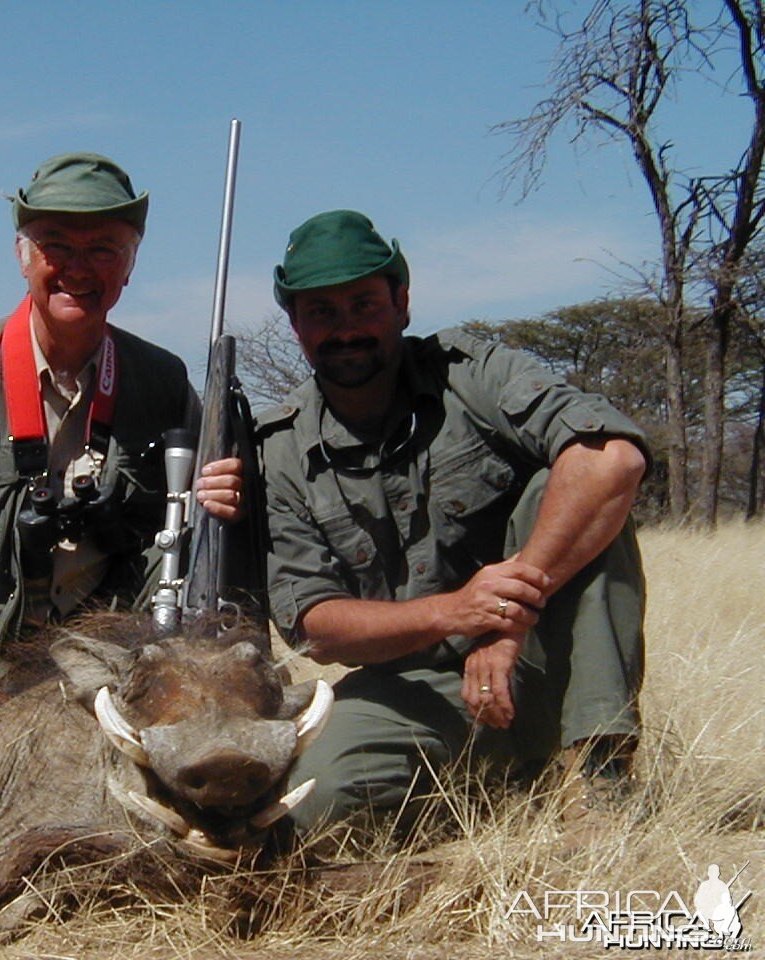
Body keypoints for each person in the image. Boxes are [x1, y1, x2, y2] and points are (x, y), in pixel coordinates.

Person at [258, 210, 648, 838]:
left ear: (402, 301)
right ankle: (500, 793)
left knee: (570, 480)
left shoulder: (475, 373)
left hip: (540, 660)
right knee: (309, 804)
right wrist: (456, 613)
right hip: (412, 693)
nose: (346, 328)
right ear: (296, 326)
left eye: (363, 304)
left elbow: (615, 459)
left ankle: (600, 778)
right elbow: (318, 630)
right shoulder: (276, 449)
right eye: (321, 312)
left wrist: (503, 620)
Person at [0, 152, 241, 723]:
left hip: (110, 670)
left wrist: (227, 490)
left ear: (129, 266)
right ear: (23, 257)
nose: (79, 268)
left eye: (103, 250)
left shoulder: (164, 382)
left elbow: (201, 526)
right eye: (57, 246)